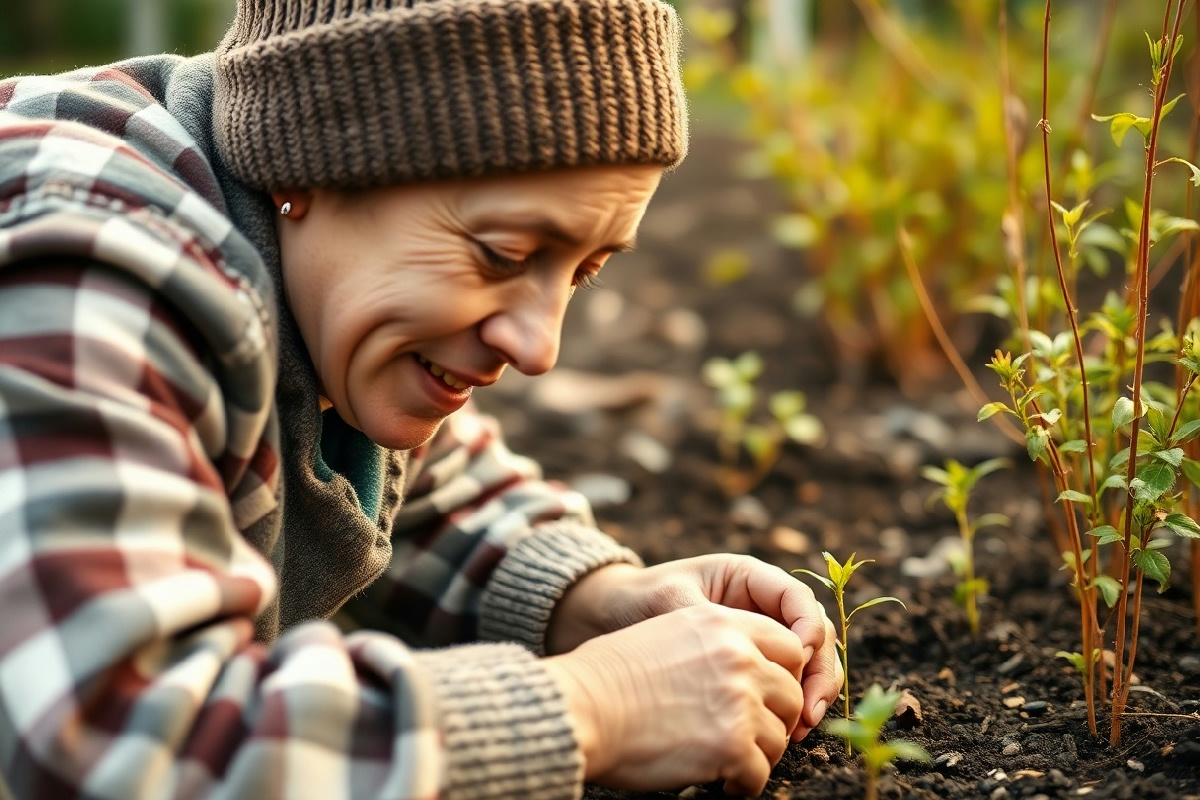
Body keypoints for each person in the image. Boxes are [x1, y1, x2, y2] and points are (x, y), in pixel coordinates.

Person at [0, 0, 841, 797]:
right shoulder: (92, 279)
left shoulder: (330, 299)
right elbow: (112, 743)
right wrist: (591, 705)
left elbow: (402, 495)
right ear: (307, 159)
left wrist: (598, 604)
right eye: (505, 254)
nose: (539, 348)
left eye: (583, 270)